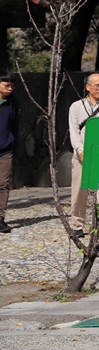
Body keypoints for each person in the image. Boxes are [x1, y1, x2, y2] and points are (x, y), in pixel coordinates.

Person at [68, 73, 99, 238]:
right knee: (79, 191)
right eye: (97, 85)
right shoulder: (76, 106)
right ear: (88, 87)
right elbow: (74, 131)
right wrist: (80, 150)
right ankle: (77, 225)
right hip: (82, 154)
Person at [0, 70, 19, 234]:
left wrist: (13, 143)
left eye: (12, 85)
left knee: (3, 184)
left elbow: (15, 126)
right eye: (7, 85)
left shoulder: (14, 103)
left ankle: (0, 218)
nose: (10, 88)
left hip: (5, 149)